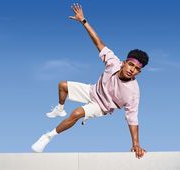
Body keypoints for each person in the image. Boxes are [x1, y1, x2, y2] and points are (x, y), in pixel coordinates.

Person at [32, 3, 149, 159]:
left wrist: (136, 144)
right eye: (130, 64)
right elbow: (98, 42)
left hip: (102, 106)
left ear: (139, 72)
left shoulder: (133, 92)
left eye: (136, 69)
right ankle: (60, 109)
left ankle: (48, 136)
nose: (131, 69)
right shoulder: (113, 62)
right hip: (93, 90)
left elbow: (132, 118)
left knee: (77, 112)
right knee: (62, 85)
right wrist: (83, 21)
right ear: (124, 62)